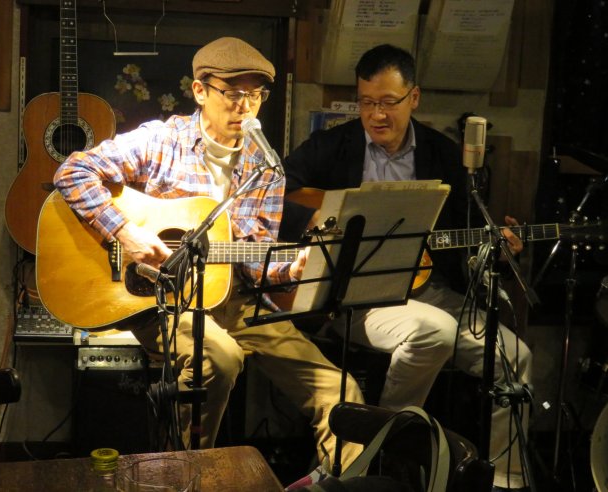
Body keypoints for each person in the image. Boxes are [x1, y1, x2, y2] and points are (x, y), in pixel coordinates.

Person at [54, 36, 364, 472]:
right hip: (163, 299)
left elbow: (254, 260)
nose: (245, 107)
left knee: (341, 391)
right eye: (233, 93)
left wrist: (291, 268)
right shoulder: (162, 141)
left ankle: (340, 482)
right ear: (200, 91)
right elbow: (73, 172)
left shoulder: (266, 167)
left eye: (256, 95)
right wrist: (125, 233)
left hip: (236, 301)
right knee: (219, 356)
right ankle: (187, 474)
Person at [280, 44, 532, 491]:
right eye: (366, 102)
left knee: (515, 358)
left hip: (430, 290)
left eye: (388, 102)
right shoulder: (331, 146)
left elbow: (469, 229)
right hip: (355, 296)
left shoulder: (443, 154)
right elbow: (274, 192)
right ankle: (386, 453)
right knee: (433, 331)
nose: (376, 115)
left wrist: (497, 247)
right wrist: (319, 218)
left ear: (413, 98)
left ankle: (505, 482)